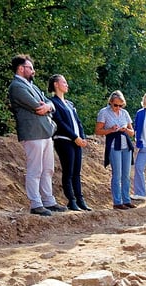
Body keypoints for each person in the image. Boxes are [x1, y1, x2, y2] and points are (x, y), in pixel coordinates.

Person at [9, 54, 64, 216]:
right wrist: (47, 107)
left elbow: (50, 103)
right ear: (21, 69)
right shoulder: (17, 86)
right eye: (30, 68)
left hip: (45, 132)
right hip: (32, 133)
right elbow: (36, 106)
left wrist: (48, 106)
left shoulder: (31, 85)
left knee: (48, 169)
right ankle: (36, 204)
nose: (33, 71)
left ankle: (49, 201)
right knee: (35, 169)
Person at [48, 74, 90, 212]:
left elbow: (78, 122)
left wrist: (82, 137)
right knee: (68, 171)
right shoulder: (52, 102)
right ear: (56, 84)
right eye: (64, 82)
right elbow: (60, 123)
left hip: (77, 142)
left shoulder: (70, 104)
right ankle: (71, 200)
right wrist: (74, 137)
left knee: (77, 172)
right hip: (64, 140)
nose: (67, 85)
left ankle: (80, 199)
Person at [95, 90, 135, 209]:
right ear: (110, 103)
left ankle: (126, 199)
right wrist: (111, 130)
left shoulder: (124, 113)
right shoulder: (104, 112)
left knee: (126, 174)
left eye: (120, 105)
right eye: (115, 105)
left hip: (126, 145)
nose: (118, 107)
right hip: (113, 145)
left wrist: (126, 130)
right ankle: (117, 202)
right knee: (117, 174)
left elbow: (132, 132)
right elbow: (98, 131)